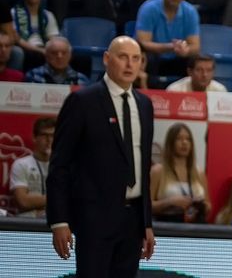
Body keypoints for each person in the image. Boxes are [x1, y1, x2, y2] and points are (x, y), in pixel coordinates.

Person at [47, 36, 155, 274]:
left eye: (135, 58)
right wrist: (59, 221)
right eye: (122, 57)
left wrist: (146, 223)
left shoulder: (145, 105)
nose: (129, 64)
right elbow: (59, 165)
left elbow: (142, 167)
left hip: (133, 221)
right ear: (107, 59)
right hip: (93, 220)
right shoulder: (82, 101)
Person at [135, 0, 201, 84]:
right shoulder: (148, 8)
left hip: (177, 57)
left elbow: (196, 46)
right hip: (154, 57)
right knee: (146, 57)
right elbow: (143, 43)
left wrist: (186, 50)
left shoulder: (190, 11)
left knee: (194, 61)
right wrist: (170, 47)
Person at [150, 122, 210, 223]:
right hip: (168, 226)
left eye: (188, 139)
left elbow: (209, 206)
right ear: (170, 142)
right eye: (179, 139)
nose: (184, 143)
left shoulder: (199, 173)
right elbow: (147, 207)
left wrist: (201, 205)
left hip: (196, 226)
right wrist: (169, 202)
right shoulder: (158, 171)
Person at [11, 0, 58, 72]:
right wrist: (40, 50)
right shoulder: (13, 13)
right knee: (34, 56)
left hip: (44, 49)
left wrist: (50, 50)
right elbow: (17, 40)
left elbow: (53, 39)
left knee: (80, 59)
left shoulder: (48, 15)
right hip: (26, 50)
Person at [10, 116, 54, 217]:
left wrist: (35, 201)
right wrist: (57, 199)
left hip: (55, 225)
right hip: (27, 224)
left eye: (53, 135)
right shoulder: (21, 164)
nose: (49, 140)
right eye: (44, 135)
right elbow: (22, 202)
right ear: (35, 137)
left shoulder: (64, 167)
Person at [24, 36, 88, 85]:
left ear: (70, 56)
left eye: (64, 53)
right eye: (54, 53)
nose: (59, 57)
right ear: (46, 55)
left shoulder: (81, 79)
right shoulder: (33, 75)